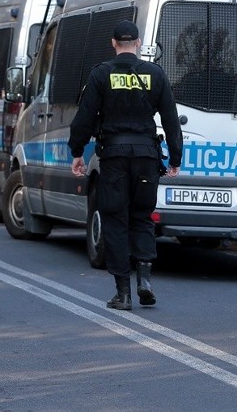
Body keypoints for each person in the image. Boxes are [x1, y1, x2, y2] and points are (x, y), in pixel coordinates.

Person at [68, 20, 183, 311]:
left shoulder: (101, 74)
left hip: (115, 156)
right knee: (143, 217)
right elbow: (170, 120)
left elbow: (84, 117)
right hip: (146, 156)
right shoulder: (155, 74)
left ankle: (123, 293)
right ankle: (144, 278)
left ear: (113, 42)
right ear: (139, 42)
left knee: (116, 219)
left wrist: (77, 152)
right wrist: (175, 159)